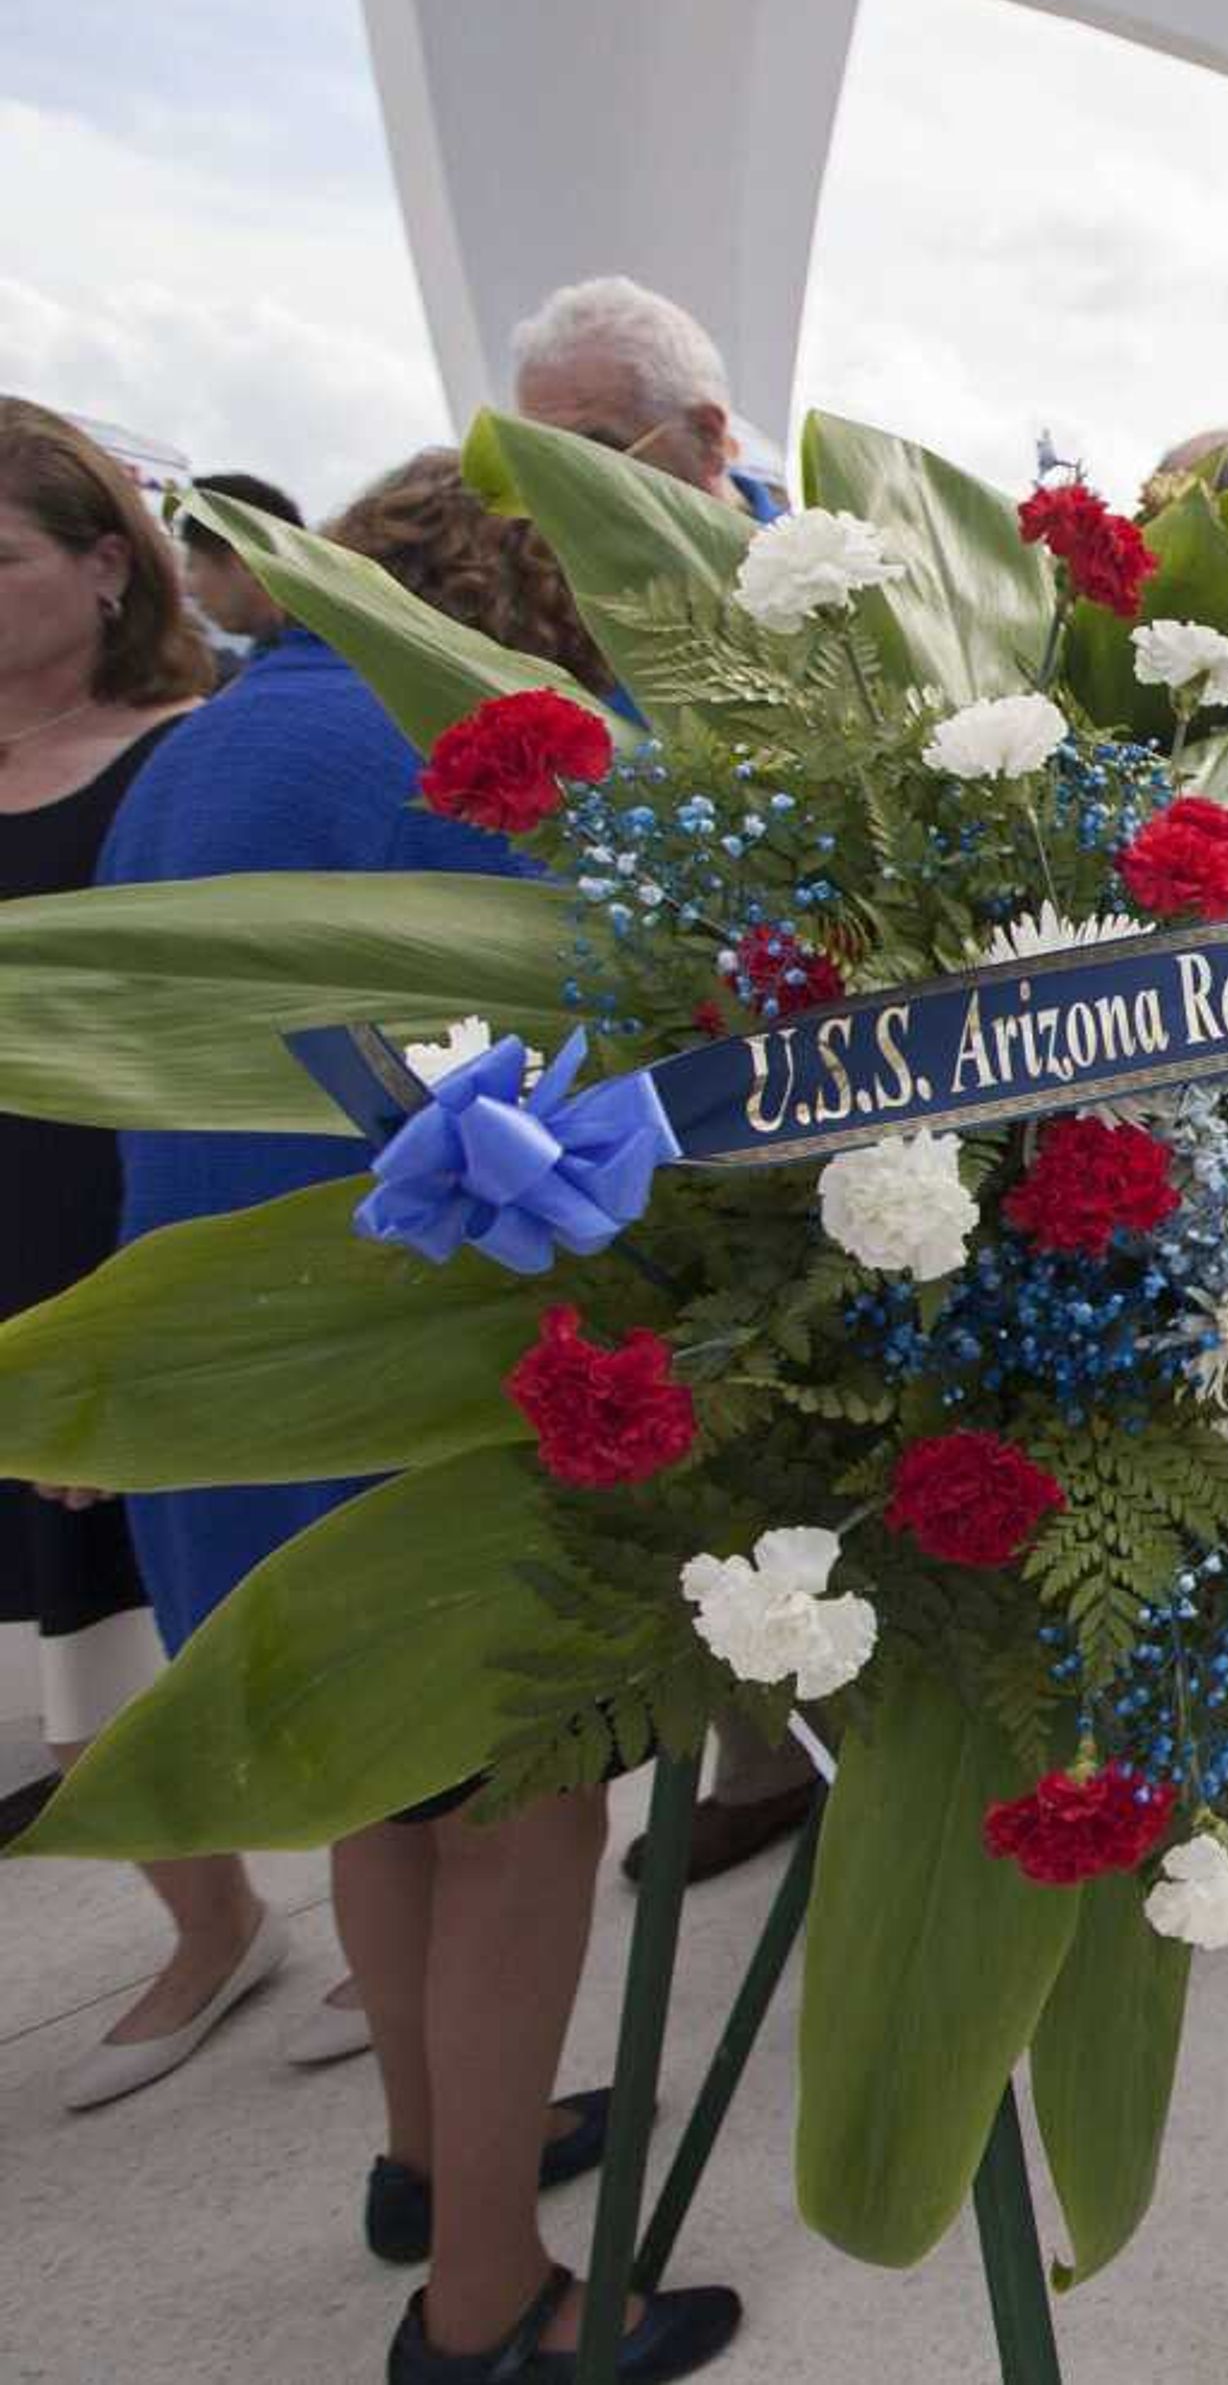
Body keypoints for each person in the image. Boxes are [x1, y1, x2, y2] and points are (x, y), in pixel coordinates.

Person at [100, 450, 742, 2378]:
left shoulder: (201, 747)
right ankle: (491, 2303)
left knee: (374, 1788)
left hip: (233, 1366)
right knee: (530, 1804)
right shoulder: (518, 754)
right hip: (448, 1373)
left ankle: (428, 2145)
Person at [509, 281, 822, 1887]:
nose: (548, 493)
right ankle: (767, 1747)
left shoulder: (828, 591)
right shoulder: (557, 607)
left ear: (701, 436)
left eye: (578, 448)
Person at [0, 401, 288, 2108]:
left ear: (109, 568)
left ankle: (369, 1888)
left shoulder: (194, 752)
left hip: (131, 1219)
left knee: (214, 1600)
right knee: (70, 1655)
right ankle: (216, 1917)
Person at [506, 275, 783, 520]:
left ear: (707, 437)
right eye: (538, 467)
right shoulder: (540, 572)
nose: (563, 499)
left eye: (593, 458)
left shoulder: (807, 571)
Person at [174, 469, 301, 664]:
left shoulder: (268, 686)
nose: (187, 587)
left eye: (192, 565)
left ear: (249, 563)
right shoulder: (351, 653)